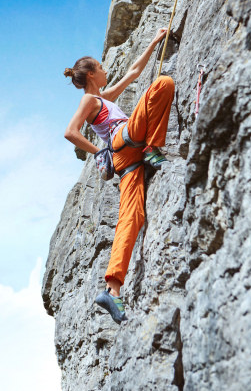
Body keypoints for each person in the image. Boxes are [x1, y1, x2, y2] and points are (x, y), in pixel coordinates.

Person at [63, 28, 174, 323]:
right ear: (90, 75)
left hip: (126, 158)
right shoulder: (89, 101)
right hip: (123, 142)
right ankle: (152, 147)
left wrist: (153, 42)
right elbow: (70, 132)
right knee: (163, 83)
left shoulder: (104, 97)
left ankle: (112, 290)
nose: (105, 70)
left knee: (131, 217)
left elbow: (134, 72)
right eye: (100, 68)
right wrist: (98, 152)